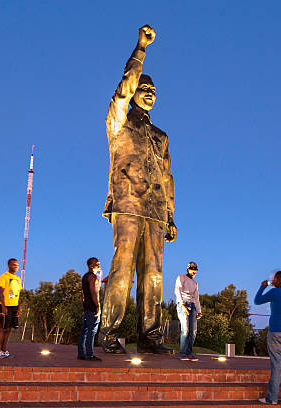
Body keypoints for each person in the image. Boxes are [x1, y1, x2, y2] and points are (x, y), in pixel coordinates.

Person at [99, 24, 177, 355]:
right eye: (144, 87)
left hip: (157, 211)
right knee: (121, 273)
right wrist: (141, 49)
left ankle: (150, 335)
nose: (149, 92)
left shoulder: (161, 136)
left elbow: (168, 176)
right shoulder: (119, 121)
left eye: (154, 90)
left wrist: (171, 214)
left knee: (154, 277)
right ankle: (109, 332)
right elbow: (123, 89)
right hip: (128, 204)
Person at [254, 271, 281, 405]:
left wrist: (263, 286)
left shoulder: (274, 293)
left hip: (275, 333)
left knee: (276, 366)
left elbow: (257, 301)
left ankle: (272, 398)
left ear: (277, 280)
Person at [174, 261, 202, 361]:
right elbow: (178, 291)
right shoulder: (182, 277)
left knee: (193, 331)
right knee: (185, 330)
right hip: (183, 304)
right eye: (192, 269)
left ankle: (189, 353)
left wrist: (199, 311)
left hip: (192, 306)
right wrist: (182, 305)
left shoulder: (195, 283)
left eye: (195, 270)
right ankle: (183, 353)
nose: (193, 271)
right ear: (187, 269)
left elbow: (196, 298)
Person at [0, 258, 22, 358]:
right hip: (6, 306)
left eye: (17, 265)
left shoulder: (17, 278)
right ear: (9, 265)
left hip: (15, 306)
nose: (16, 267)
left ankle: (4, 350)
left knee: (9, 329)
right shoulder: (4, 277)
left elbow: (18, 293)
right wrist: (3, 306)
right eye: (14, 265)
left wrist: (19, 308)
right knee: (3, 328)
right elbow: (1, 292)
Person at [78, 257, 103, 361]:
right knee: (91, 331)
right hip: (92, 307)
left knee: (84, 331)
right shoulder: (92, 277)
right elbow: (93, 292)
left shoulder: (84, 276)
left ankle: (81, 354)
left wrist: (84, 302)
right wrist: (97, 306)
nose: (99, 265)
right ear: (90, 265)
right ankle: (89, 354)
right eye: (96, 263)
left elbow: (82, 293)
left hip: (87, 306)